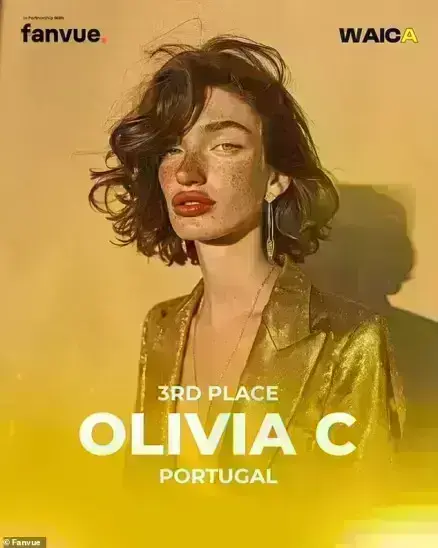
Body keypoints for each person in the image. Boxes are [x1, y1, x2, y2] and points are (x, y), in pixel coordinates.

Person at [89, 34, 405, 517]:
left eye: (225, 145)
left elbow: (366, 518)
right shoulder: (162, 328)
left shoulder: (349, 339)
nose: (188, 172)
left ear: (275, 177)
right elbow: (142, 498)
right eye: (171, 149)